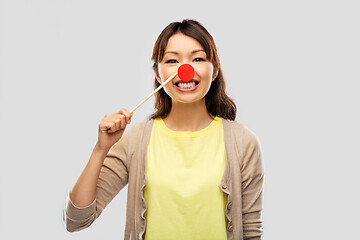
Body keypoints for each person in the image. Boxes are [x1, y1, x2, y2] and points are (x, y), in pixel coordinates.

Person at [63, 19, 264, 240]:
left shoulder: (242, 141)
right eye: (172, 60)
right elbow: (76, 220)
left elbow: (251, 231)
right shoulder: (135, 141)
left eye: (197, 58)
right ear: (158, 74)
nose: (184, 69)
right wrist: (101, 149)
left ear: (214, 70)